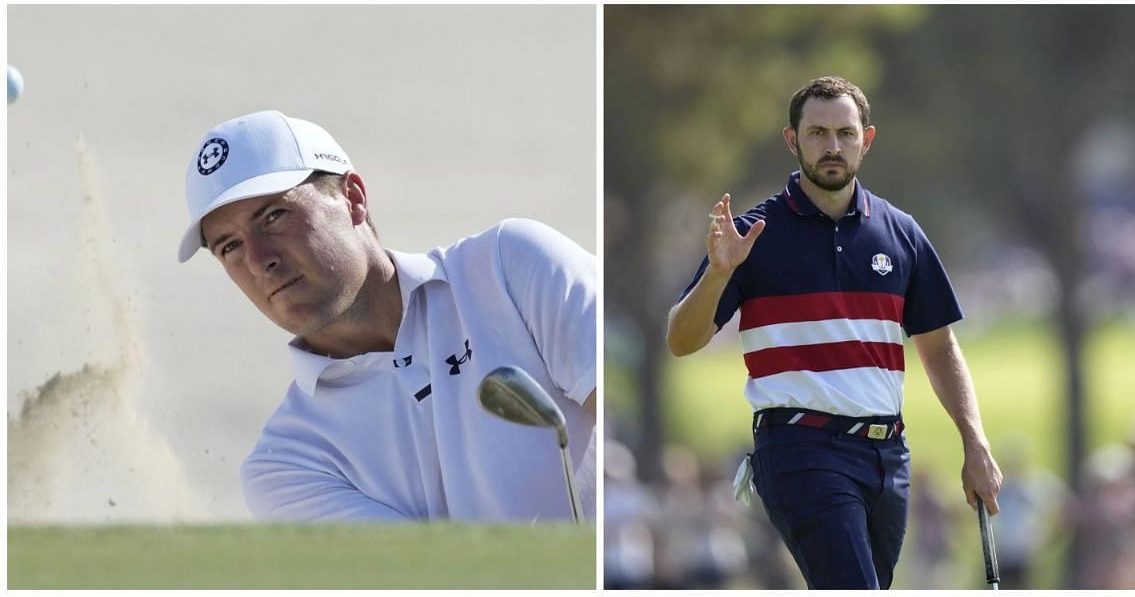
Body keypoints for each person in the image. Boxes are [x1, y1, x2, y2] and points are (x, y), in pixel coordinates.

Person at [665, 77, 1002, 589]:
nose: (832, 146)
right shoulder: (753, 236)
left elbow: (939, 347)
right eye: (817, 133)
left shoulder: (901, 231)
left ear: (866, 140)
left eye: (845, 133)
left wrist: (974, 443)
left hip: (888, 455)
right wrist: (718, 274)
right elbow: (681, 340)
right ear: (792, 140)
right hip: (800, 446)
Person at [179, 110, 596, 521]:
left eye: (273, 217)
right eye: (229, 246)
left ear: (353, 198)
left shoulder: (511, 266)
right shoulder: (285, 465)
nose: (259, 260)